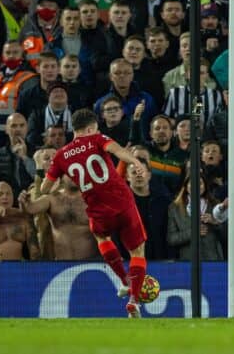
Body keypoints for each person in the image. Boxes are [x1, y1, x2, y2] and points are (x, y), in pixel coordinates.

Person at [40, 109, 149, 318]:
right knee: (137, 250)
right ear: (90, 128)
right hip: (122, 201)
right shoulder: (97, 139)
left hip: (97, 208)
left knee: (101, 236)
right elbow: (118, 151)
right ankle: (134, 300)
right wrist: (135, 163)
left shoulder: (61, 156)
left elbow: (45, 188)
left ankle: (124, 280)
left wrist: (47, 176)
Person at [19, 175, 98, 260]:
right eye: (69, 172)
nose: (74, 175)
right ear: (62, 176)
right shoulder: (52, 199)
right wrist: (24, 202)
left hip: (90, 264)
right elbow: (30, 208)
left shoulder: (94, 200)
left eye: (76, 171)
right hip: (61, 264)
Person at [0, 181, 40, 260]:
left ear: (13, 197)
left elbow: (34, 251)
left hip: (15, 269)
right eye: (0, 194)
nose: (5, 197)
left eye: (8, 194)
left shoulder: (22, 217)